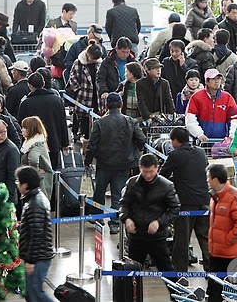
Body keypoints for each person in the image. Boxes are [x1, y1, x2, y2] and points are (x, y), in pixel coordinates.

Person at [120, 153, 180, 297]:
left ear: (157, 168)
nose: (148, 175)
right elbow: (124, 204)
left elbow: (175, 208)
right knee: (132, 274)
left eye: (151, 171)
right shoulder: (132, 183)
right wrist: (126, 218)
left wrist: (159, 222)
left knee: (167, 270)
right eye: (145, 171)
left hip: (157, 237)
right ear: (140, 168)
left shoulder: (166, 185)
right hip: (136, 235)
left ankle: (179, 297)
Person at [85, 93, 146, 234]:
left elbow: (92, 146)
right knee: (117, 194)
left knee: (99, 191)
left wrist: (87, 162)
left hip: (104, 164)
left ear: (106, 106)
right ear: (121, 105)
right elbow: (141, 139)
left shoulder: (99, 123)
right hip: (124, 164)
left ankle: (97, 217)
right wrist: (135, 151)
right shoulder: (131, 121)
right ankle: (114, 224)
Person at [160, 127, 210, 272]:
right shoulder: (201, 152)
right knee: (205, 237)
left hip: (185, 203)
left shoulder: (175, 155)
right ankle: (211, 270)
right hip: (203, 200)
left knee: (182, 239)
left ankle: (179, 272)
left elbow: (162, 176)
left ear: (175, 141)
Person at [205, 163, 237, 302]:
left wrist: (227, 240)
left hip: (232, 255)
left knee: (232, 293)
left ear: (216, 179)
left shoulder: (234, 196)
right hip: (217, 253)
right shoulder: (215, 197)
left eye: (208, 178)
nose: (207, 181)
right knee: (213, 291)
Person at [16, 165, 54, 302]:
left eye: (19, 181)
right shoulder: (34, 198)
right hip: (37, 256)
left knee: (36, 293)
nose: (17, 184)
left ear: (25, 185)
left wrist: (31, 261)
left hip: (39, 257)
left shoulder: (35, 204)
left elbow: (36, 234)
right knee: (30, 294)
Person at [18, 72, 69, 171]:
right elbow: (63, 123)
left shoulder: (26, 103)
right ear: (44, 84)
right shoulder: (57, 100)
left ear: (30, 86)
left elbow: (21, 125)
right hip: (53, 142)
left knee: (33, 173)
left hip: (32, 145)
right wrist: (65, 143)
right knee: (52, 172)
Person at [186, 69, 237, 141]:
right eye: (213, 79)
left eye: (218, 78)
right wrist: (199, 134)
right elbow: (190, 118)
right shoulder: (196, 97)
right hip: (200, 142)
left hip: (222, 142)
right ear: (207, 81)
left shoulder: (227, 97)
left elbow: (235, 118)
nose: (217, 81)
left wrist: (232, 134)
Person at [66, 40, 103, 141]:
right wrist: (78, 90)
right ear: (88, 54)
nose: (93, 60)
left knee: (95, 116)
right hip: (83, 95)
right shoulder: (78, 63)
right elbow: (72, 78)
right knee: (83, 118)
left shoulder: (99, 63)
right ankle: (82, 135)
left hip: (96, 95)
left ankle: (92, 138)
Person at [20, 116, 53, 200]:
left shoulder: (36, 144)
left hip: (39, 183)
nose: (22, 130)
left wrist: (33, 172)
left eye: (24, 127)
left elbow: (33, 159)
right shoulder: (36, 142)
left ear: (30, 129)